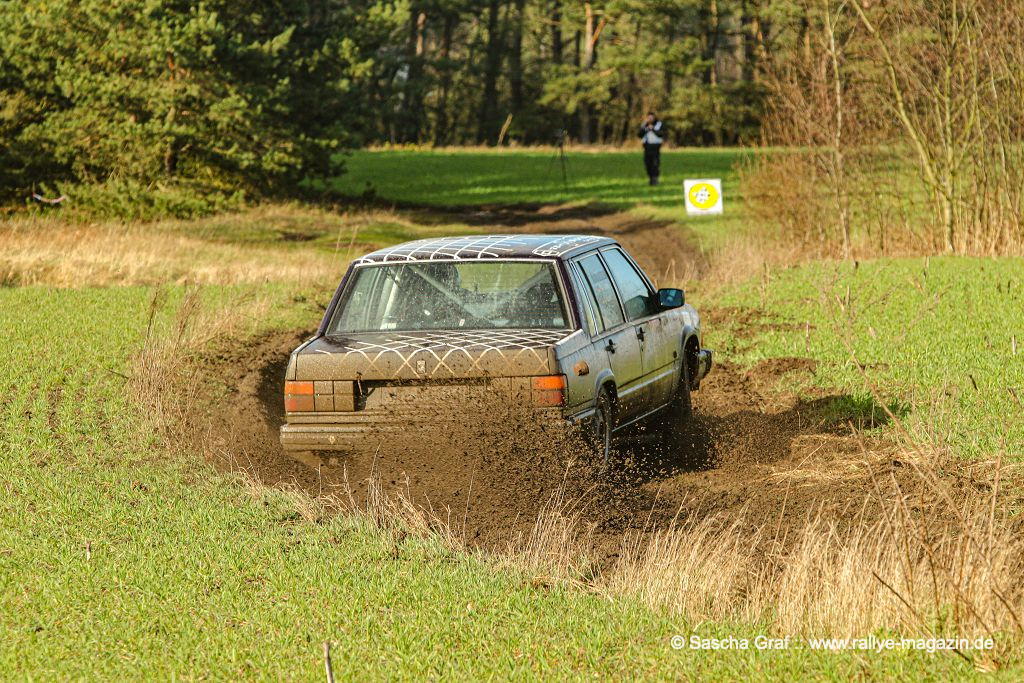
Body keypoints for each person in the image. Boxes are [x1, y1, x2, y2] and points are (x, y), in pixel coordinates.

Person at [638, 112, 667, 186]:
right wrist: (646, 129)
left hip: (655, 147)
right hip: (647, 147)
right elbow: (639, 134)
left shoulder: (659, 124)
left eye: (651, 118)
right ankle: (650, 178)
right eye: (649, 118)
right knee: (647, 164)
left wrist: (653, 129)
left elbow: (661, 134)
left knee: (655, 164)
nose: (650, 119)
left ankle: (655, 179)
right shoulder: (644, 125)